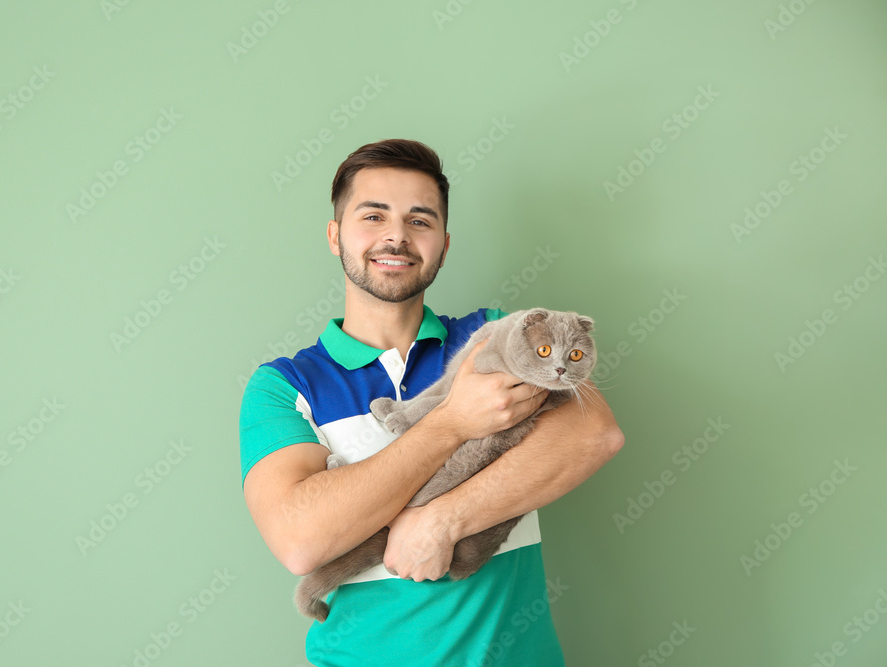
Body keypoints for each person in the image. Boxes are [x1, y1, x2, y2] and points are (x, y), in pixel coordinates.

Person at [239, 138, 624, 666]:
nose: (396, 235)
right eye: (373, 216)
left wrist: (444, 519)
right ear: (335, 235)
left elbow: (594, 434)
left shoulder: (496, 338)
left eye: (420, 221)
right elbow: (301, 541)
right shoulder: (284, 386)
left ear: (443, 243)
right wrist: (452, 421)